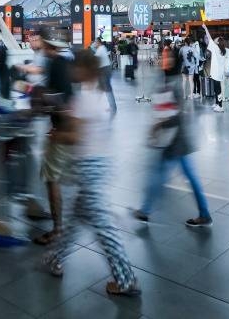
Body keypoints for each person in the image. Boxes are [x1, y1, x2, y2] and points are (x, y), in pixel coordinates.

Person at [43, 49, 140, 297]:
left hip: (90, 168)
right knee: (76, 221)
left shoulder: (85, 98)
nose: (72, 71)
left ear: (84, 70)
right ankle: (54, 257)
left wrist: (57, 134)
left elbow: (75, 135)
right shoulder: (101, 93)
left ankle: (125, 279)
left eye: (75, 67)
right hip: (99, 163)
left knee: (105, 229)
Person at [135, 42, 212, 227]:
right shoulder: (164, 79)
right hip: (171, 138)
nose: (164, 59)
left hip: (176, 139)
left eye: (168, 57)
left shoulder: (175, 82)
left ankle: (146, 209)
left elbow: (177, 114)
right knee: (170, 175)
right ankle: (146, 210)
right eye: (163, 56)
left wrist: (158, 125)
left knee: (165, 175)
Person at [30, 32, 75, 247]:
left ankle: (58, 229)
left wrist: (41, 97)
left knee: (51, 178)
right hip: (61, 128)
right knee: (53, 178)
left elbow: (61, 99)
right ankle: (59, 229)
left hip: (62, 131)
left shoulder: (57, 65)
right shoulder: (61, 63)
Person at [203, 24, 229, 112]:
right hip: (219, 72)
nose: (214, 40)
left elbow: (209, 38)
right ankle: (217, 103)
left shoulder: (216, 48)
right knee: (217, 89)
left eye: (215, 40)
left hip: (216, 72)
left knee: (218, 89)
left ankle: (220, 106)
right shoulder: (224, 50)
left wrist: (205, 28)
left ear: (217, 42)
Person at [91, 38, 116, 115]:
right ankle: (97, 105)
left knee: (107, 88)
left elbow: (95, 59)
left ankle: (113, 106)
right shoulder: (102, 48)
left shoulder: (100, 49)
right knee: (101, 87)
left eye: (95, 42)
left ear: (98, 42)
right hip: (105, 69)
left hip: (104, 70)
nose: (94, 44)